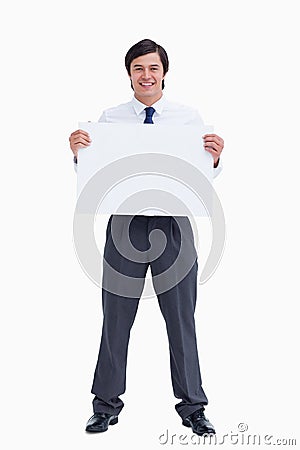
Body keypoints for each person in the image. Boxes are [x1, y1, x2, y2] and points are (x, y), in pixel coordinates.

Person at [69, 39, 224, 436]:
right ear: (130, 74)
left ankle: (193, 406)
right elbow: (95, 172)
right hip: (125, 225)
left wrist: (215, 158)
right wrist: (79, 154)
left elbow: (200, 174)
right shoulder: (110, 118)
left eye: (153, 68)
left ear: (164, 73)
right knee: (116, 318)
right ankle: (105, 405)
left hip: (173, 224)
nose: (146, 75)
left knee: (181, 319)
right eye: (139, 68)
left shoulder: (187, 119)